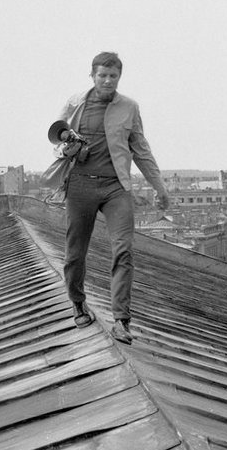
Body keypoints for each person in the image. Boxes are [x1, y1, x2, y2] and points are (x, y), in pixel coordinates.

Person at [48, 51, 169, 344]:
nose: (107, 80)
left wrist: (160, 187)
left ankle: (121, 320)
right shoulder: (75, 103)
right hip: (80, 185)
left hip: (116, 187)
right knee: (75, 252)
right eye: (102, 75)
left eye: (112, 76)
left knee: (124, 250)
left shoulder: (129, 107)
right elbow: (56, 141)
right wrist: (68, 148)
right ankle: (77, 303)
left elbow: (141, 149)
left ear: (119, 77)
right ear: (92, 75)